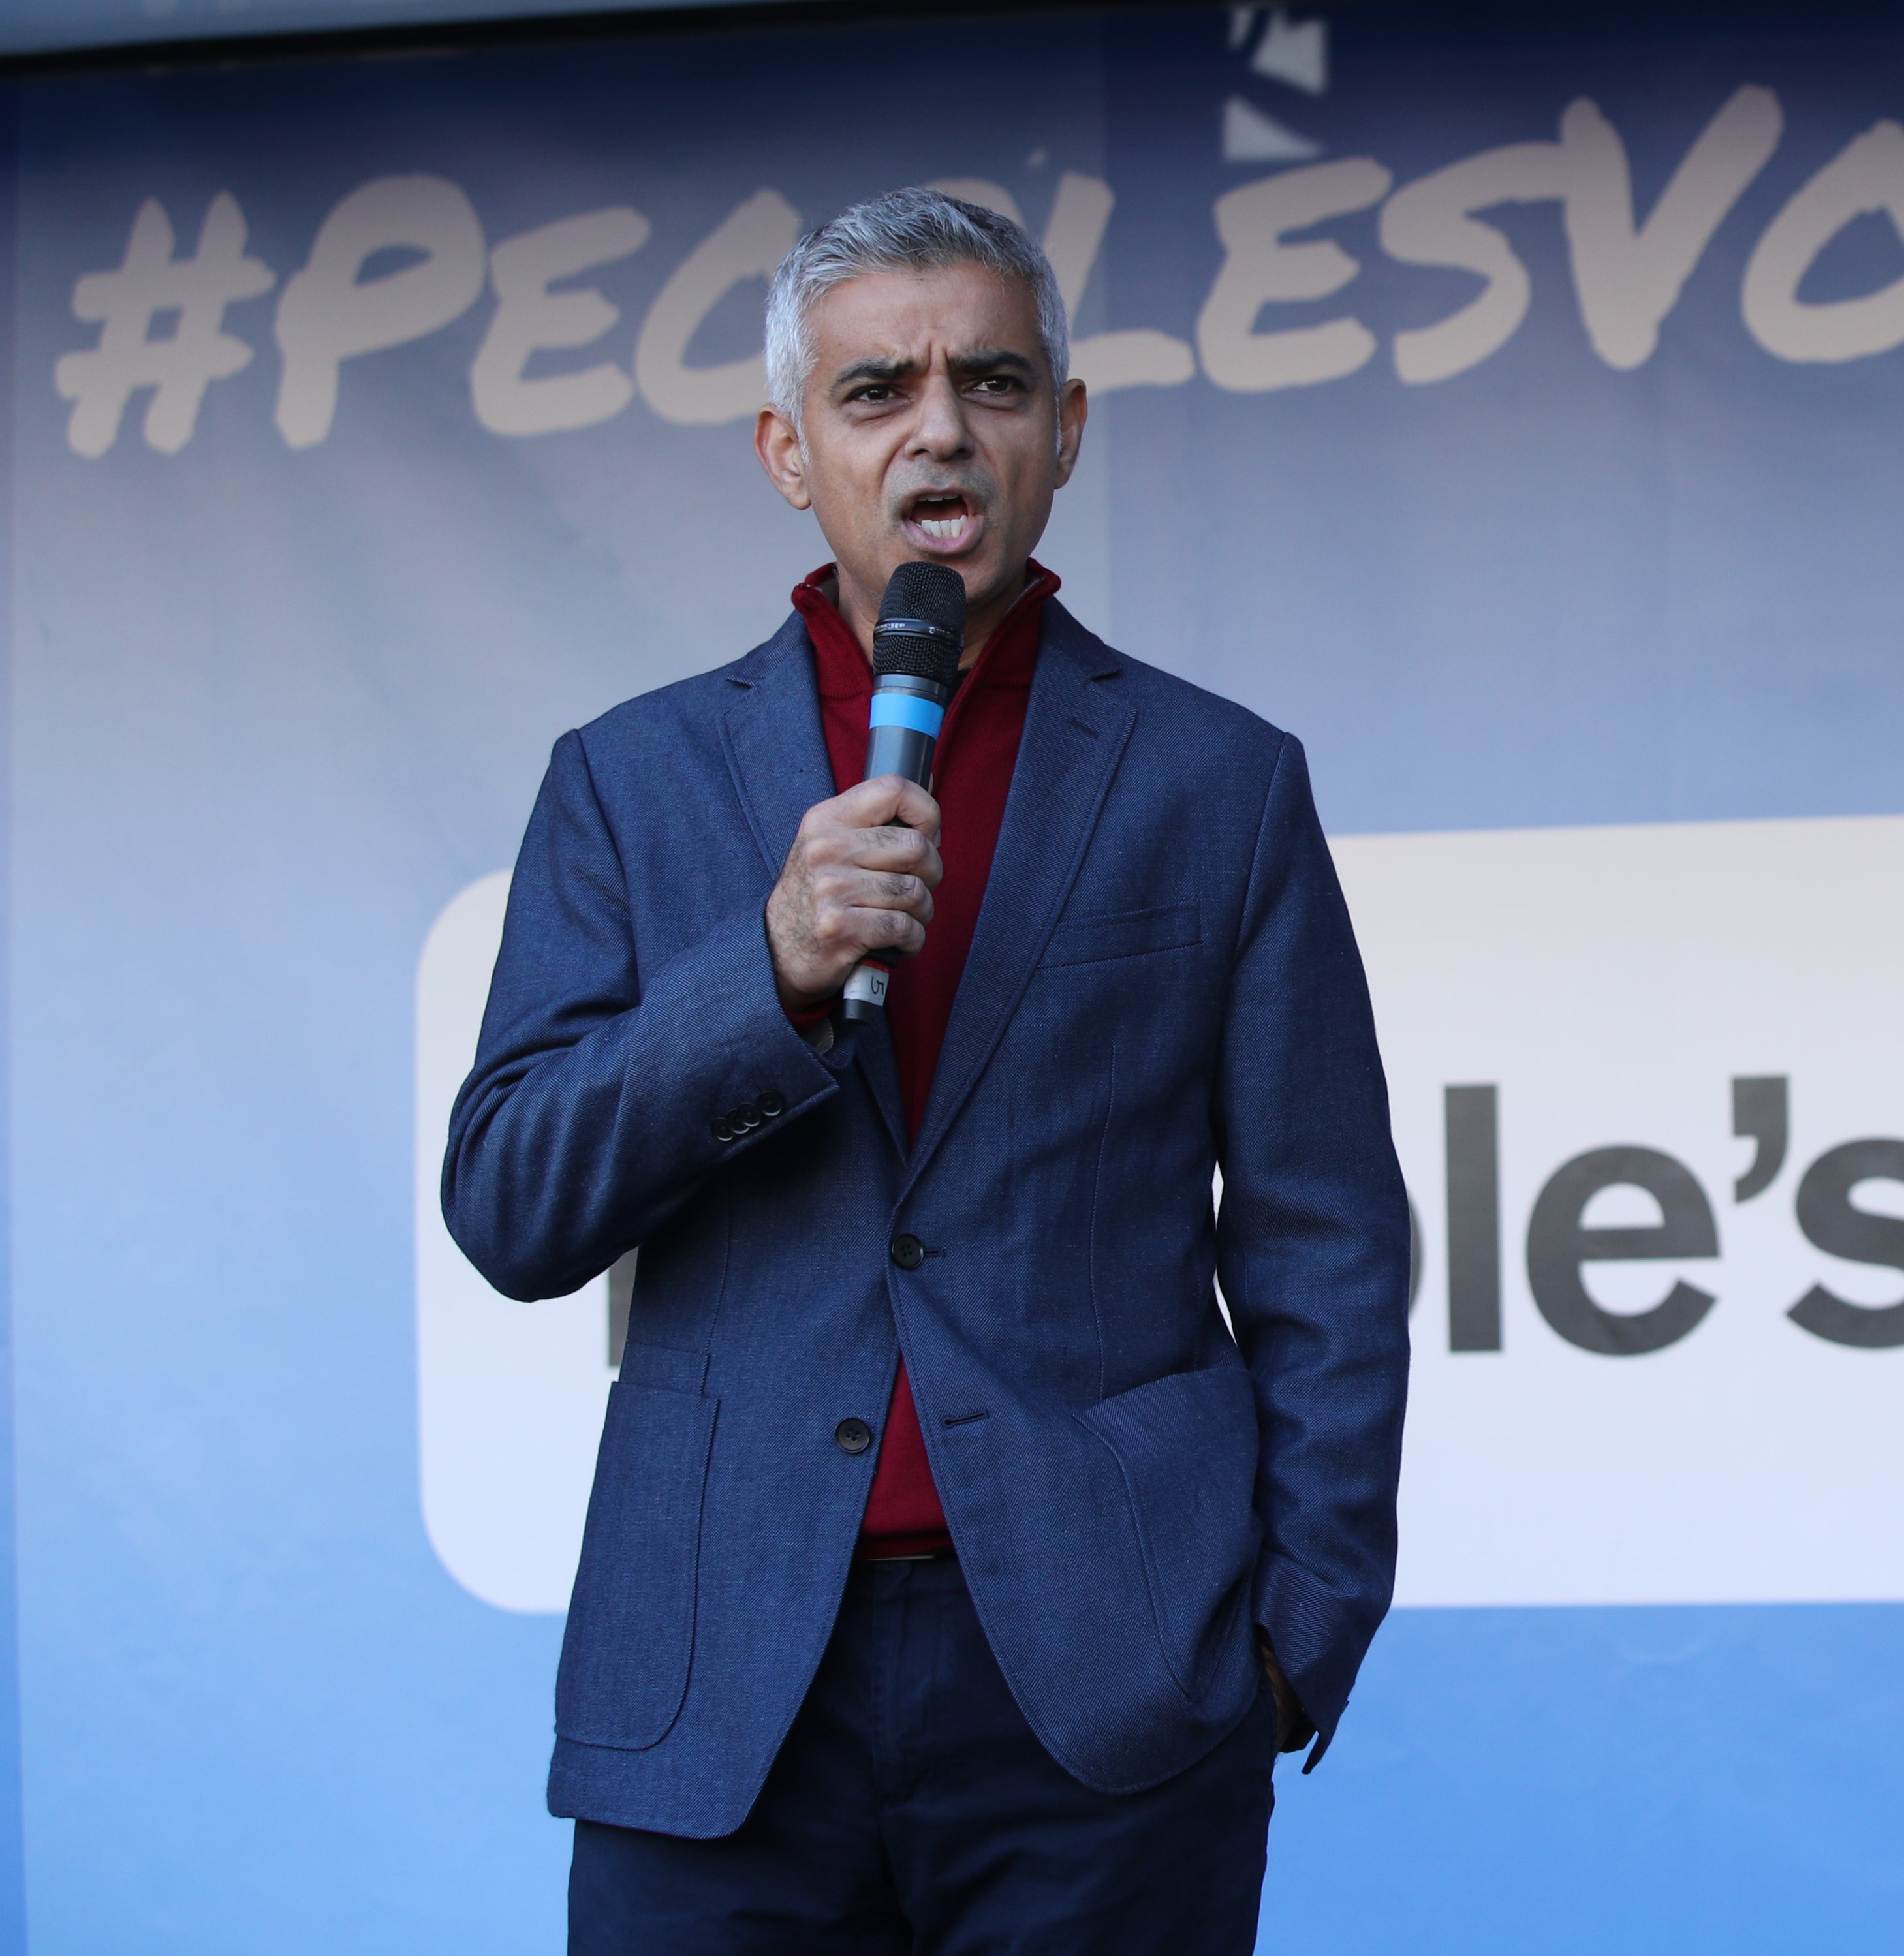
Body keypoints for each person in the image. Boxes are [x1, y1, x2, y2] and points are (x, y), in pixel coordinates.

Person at [443, 187, 1407, 1953]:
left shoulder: (1218, 784)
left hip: (1107, 1698)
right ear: (787, 452)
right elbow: (510, 1199)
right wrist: (771, 975)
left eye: (994, 382)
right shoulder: (628, 779)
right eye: (875, 389)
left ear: (1066, 434)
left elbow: (1324, 1243)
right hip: (721, 1687)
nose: (939, 427)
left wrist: (1291, 1637)